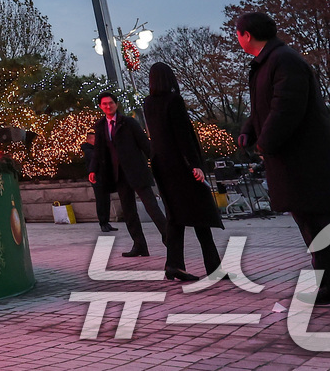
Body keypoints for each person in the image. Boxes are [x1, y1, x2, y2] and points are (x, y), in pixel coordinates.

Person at [236, 10, 330, 315]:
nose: (236, 39)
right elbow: (263, 108)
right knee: (311, 228)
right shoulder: (264, 65)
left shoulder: (284, 60)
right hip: (293, 167)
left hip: (314, 165)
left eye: (236, 34)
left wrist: (265, 142)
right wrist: (248, 130)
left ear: (247, 35)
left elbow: (286, 108)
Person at [143, 62, 223, 281]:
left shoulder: (148, 103)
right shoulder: (174, 101)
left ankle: (174, 264)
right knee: (200, 214)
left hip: (161, 165)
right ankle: (213, 267)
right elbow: (183, 136)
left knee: (175, 216)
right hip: (181, 165)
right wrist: (195, 164)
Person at [90, 92, 167, 257]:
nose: (108, 106)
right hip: (118, 175)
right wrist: (93, 170)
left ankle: (170, 240)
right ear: (100, 106)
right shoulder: (100, 126)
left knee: (152, 207)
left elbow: (145, 144)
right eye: (104, 104)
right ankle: (139, 245)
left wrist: (158, 164)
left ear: (116, 104)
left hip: (136, 171)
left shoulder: (128, 122)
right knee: (129, 212)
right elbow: (98, 151)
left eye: (110, 103)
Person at [81, 131, 117, 232]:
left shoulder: (97, 150)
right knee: (101, 200)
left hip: (104, 178)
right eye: (94, 139)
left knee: (106, 200)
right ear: (89, 140)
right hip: (97, 179)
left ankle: (107, 222)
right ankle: (103, 223)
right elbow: (96, 161)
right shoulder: (89, 151)